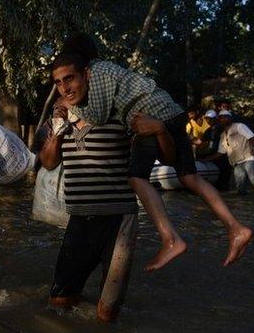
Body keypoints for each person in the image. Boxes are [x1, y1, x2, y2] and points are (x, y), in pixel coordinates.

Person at [60, 34, 253, 268]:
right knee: (189, 177)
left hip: (151, 115)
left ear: (81, 65)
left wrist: (67, 103)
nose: (64, 86)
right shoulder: (108, 69)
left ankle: (171, 240)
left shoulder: (97, 71)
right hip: (172, 112)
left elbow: (98, 116)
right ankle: (236, 227)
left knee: (137, 178)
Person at [38, 86, 173, 321]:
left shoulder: (118, 116)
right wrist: (58, 129)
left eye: (69, 81)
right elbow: (48, 163)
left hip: (118, 221)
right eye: (58, 83)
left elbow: (169, 158)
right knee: (59, 302)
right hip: (79, 221)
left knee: (106, 314)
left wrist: (160, 130)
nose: (64, 91)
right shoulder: (59, 123)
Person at [203, 110, 254, 199]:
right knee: (240, 188)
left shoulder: (239, 126)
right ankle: (243, 205)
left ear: (230, 118)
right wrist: (206, 160)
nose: (223, 119)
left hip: (249, 158)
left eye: (225, 117)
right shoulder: (223, 135)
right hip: (237, 163)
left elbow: (252, 137)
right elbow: (220, 153)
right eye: (221, 118)